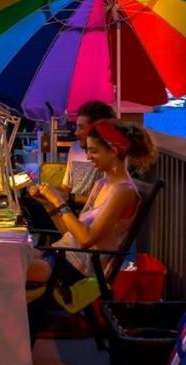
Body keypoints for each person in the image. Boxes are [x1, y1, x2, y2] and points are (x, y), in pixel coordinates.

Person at [26, 120, 157, 300]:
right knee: (8, 256)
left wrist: (58, 199)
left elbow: (86, 239)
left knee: (7, 269)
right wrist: (48, 204)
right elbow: (70, 233)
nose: (88, 157)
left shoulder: (124, 191)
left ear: (113, 151)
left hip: (76, 269)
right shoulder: (102, 184)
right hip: (60, 254)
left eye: (93, 151)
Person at [60, 100, 118, 207]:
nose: (76, 132)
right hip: (74, 207)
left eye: (81, 127)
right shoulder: (75, 148)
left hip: (87, 211)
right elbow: (66, 187)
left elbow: (103, 201)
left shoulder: (108, 155)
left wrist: (68, 198)